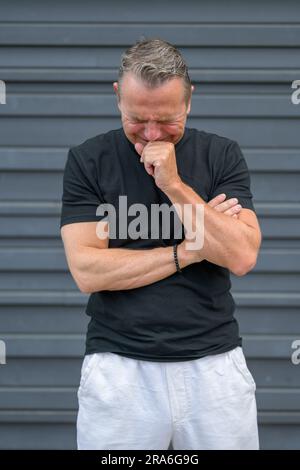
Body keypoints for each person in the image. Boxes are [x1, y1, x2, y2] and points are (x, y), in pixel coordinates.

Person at [60, 38, 262, 450]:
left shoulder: (221, 156)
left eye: (167, 120)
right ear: (118, 97)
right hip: (120, 369)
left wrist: (172, 184)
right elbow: (87, 270)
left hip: (214, 367)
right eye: (137, 118)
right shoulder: (88, 160)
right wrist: (191, 248)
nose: (151, 134)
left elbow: (241, 255)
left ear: (189, 101)